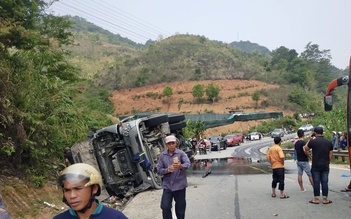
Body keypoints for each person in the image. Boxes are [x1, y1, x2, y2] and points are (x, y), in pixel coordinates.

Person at [53, 163, 128, 219]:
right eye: (67, 190)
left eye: (78, 189)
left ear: (94, 188)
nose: (72, 196)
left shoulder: (115, 217)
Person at [157, 135, 191, 219]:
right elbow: (159, 169)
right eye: (169, 143)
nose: (171, 145)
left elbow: (188, 164)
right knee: (165, 206)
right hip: (168, 186)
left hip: (180, 185)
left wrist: (180, 166)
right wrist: (167, 170)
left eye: (173, 143)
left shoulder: (181, 153)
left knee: (180, 209)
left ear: (176, 143)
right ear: (166, 145)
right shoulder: (162, 156)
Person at [304, 126, 333, 204]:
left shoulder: (313, 141)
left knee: (316, 182)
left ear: (315, 133)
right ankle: (325, 199)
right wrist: (328, 161)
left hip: (316, 165)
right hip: (325, 164)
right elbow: (331, 154)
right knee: (325, 182)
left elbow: (306, 149)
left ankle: (316, 199)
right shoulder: (328, 141)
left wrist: (309, 139)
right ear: (322, 132)